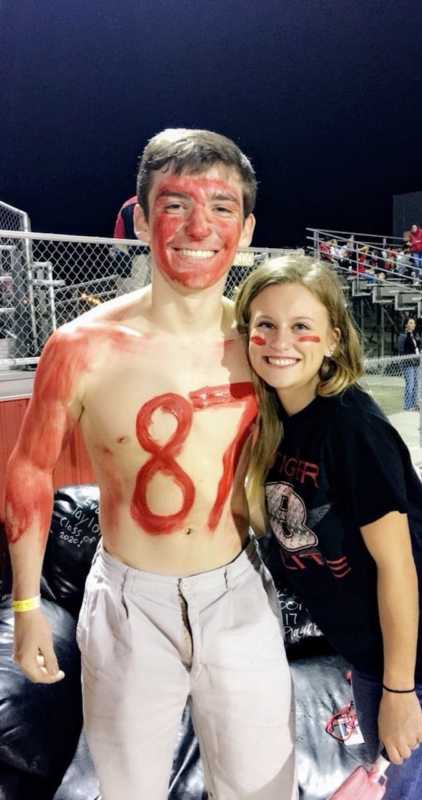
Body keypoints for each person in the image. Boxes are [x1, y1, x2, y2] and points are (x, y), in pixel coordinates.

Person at [4, 129, 297, 800]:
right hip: (130, 605)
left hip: (238, 591)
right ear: (139, 218)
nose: (199, 225)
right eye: (174, 204)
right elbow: (29, 471)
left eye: (222, 207)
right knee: (128, 788)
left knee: (260, 789)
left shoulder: (269, 346)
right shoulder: (81, 347)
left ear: (247, 228)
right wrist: (25, 605)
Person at [235, 255, 422, 800]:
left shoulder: (352, 427)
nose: (281, 340)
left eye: (301, 326)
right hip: (373, 657)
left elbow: (397, 567)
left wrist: (401, 689)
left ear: (332, 338)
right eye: (265, 325)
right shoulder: (274, 425)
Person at [397, 318, 421, 410]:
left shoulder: (413, 336)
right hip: (407, 364)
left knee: (416, 384)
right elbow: (401, 350)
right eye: (411, 323)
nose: (413, 325)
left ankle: (414, 404)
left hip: (415, 363)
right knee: (410, 384)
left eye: (414, 323)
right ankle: (408, 405)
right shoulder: (402, 336)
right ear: (406, 325)